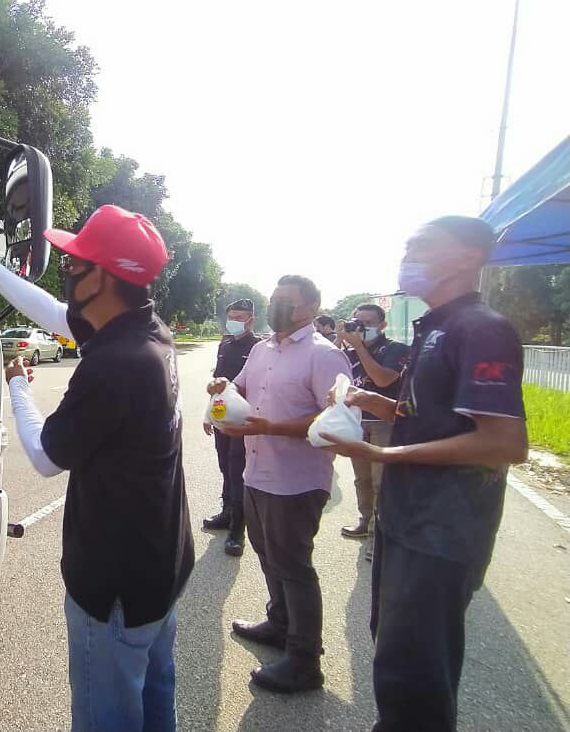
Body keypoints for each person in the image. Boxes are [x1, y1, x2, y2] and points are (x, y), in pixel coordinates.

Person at [0, 205, 194, 732]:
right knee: (157, 702)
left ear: (107, 278)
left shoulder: (115, 365)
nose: (66, 269)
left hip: (114, 589)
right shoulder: (147, 332)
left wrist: (18, 386)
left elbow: (45, 457)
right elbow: (53, 314)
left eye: (76, 262)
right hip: (159, 569)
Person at [320, 216, 527, 732]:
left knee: (417, 671)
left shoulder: (480, 329)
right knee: (394, 657)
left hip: (443, 529)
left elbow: (504, 442)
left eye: (424, 245)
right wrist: (376, 402)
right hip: (406, 519)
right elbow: (430, 418)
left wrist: (386, 457)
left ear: (468, 257)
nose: (409, 254)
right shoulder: (433, 327)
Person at [206, 275, 350, 693]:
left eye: (286, 301)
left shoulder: (324, 355)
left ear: (312, 307)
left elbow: (335, 419)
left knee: (294, 566)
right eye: (274, 299)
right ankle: (279, 623)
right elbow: (243, 387)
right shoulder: (262, 348)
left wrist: (272, 426)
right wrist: (224, 387)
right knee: (267, 554)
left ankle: (306, 661)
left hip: (297, 480)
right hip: (257, 472)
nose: (277, 306)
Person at [335, 304, 409, 546]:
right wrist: (339, 339)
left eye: (367, 323)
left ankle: (380, 536)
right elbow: (332, 370)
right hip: (357, 421)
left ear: (382, 325)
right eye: (356, 322)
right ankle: (365, 520)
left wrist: (358, 346)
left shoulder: (396, 349)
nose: (360, 327)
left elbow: (382, 378)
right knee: (362, 478)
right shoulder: (350, 350)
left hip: (384, 424)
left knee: (381, 481)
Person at [202, 298, 258, 557]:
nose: (233, 321)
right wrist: (208, 414)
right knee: (225, 465)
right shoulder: (224, 343)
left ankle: (238, 530)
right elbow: (217, 384)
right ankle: (226, 513)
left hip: (244, 420)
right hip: (222, 416)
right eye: (231, 316)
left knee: (238, 471)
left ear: (251, 320)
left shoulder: (258, 347)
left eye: (239, 317)